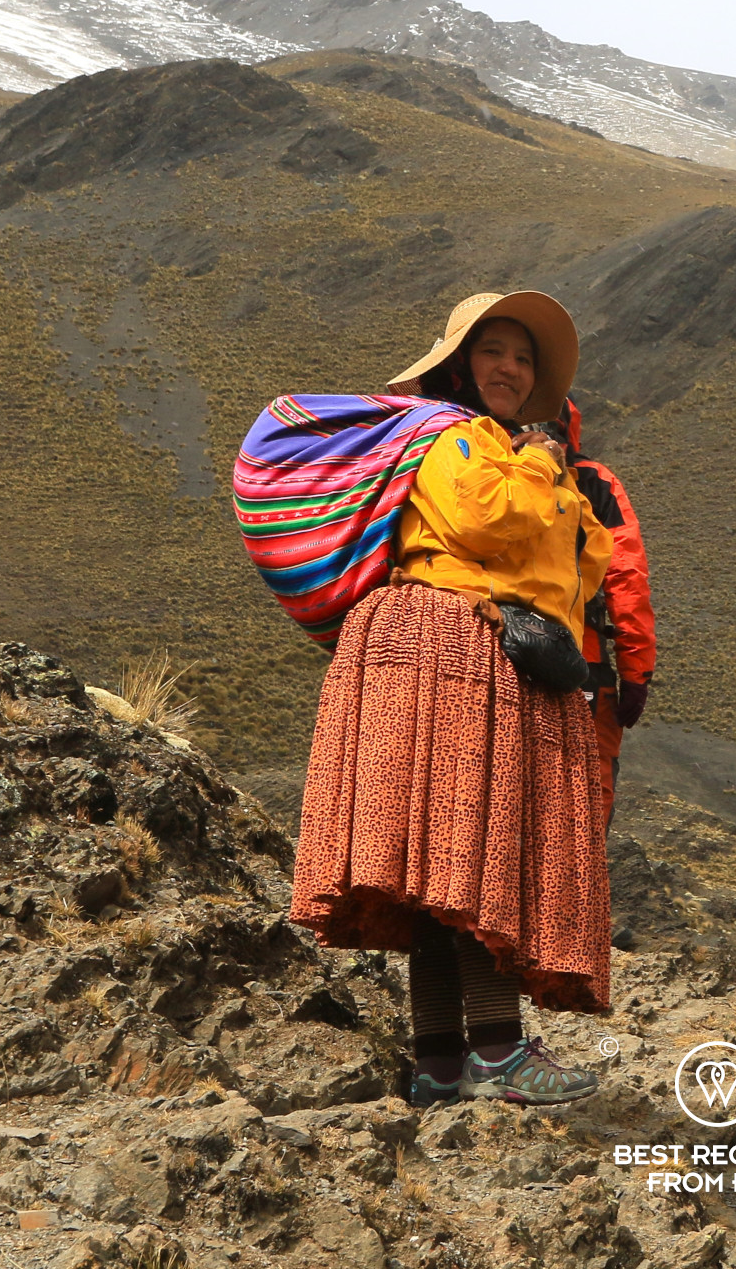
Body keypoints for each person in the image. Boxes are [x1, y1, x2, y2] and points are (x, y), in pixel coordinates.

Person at [290, 291, 614, 1107]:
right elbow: (485, 518)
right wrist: (542, 464)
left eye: (523, 357)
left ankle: (440, 1062)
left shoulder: (501, 448)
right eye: (493, 350)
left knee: (444, 871)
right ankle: (500, 1056)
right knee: (476, 861)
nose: (510, 368)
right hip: (452, 646)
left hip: (472, 648)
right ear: (459, 363)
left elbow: (574, 566)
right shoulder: (453, 438)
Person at [532, 397, 656, 827]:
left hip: (491, 648)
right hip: (580, 658)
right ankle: (575, 891)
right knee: (584, 801)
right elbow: (626, 578)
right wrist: (637, 672)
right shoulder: (595, 482)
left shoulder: (479, 463)